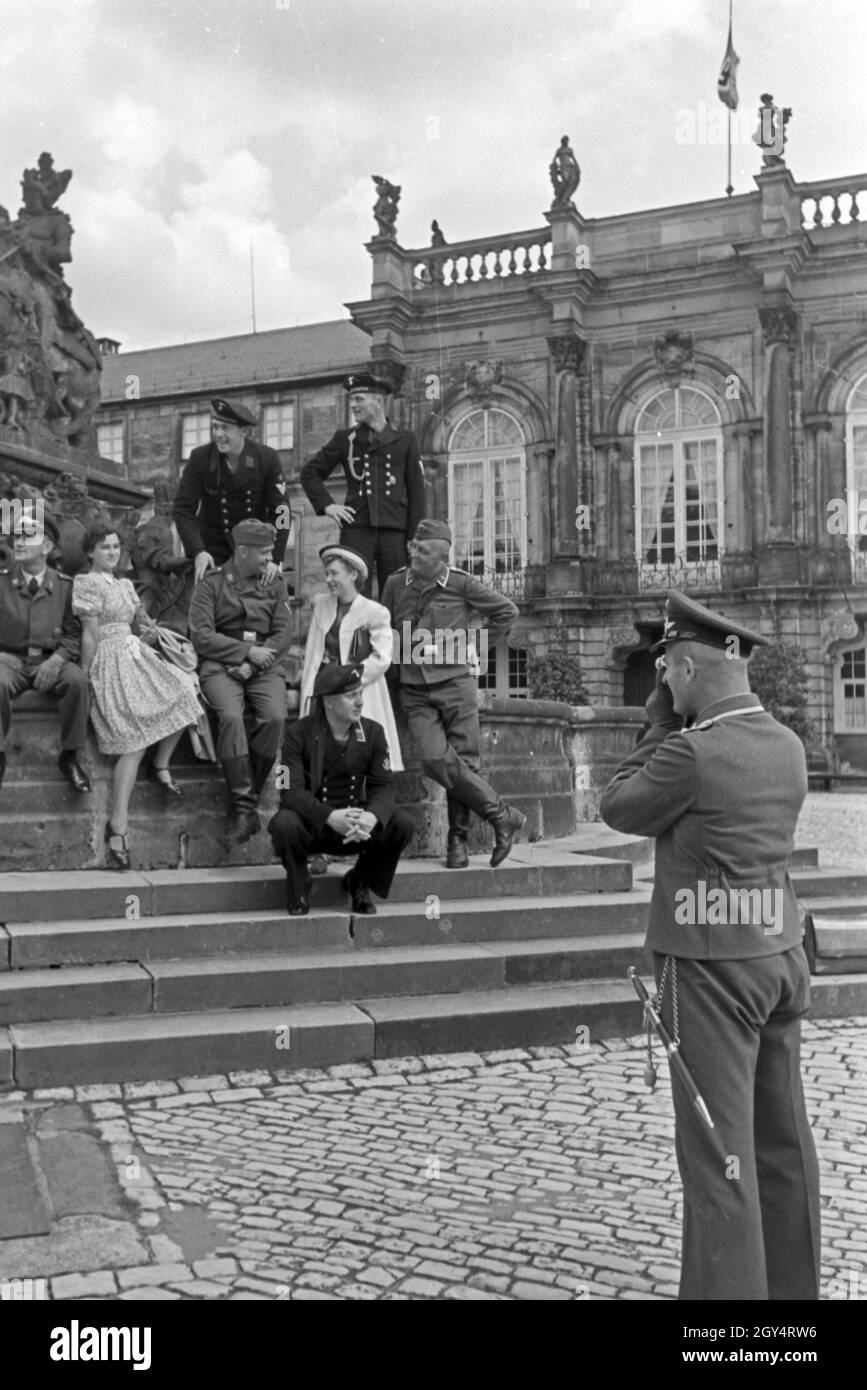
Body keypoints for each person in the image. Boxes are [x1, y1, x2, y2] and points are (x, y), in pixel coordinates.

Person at [600, 590, 821, 1302]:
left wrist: (657, 722)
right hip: (777, 957)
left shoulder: (689, 754)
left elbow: (615, 806)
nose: (661, 683)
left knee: (718, 1157)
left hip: (709, 971)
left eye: (665, 672)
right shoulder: (786, 746)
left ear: (687, 671)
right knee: (781, 1146)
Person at [380, 518, 525, 870]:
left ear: (442, 557)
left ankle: (456, 842)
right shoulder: (396, 583)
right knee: (433, 758)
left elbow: (507, 611)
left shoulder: (461, 584)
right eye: (414, 546)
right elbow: (383, 628)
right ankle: (501, 814)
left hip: (456, 683)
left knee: (465, 760)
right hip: (414, 688)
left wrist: (474, 645)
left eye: (423, 550)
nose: (414, 552)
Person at [72, 522, 202, 870]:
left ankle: (160, 764)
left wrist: (152, 632)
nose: (112, 553)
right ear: (90, 553)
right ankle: (118, 826)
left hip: (135, 653)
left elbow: (142, 622)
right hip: (109, 658)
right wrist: (87, 676)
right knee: (133, 743)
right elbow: (89, 632)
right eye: (104, 548)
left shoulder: (126, 584)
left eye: (115, 547)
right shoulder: (86, 583)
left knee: (186, 691)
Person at [269, 664, 414, 916]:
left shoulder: (373, 733)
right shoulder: (296, 734)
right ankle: (300, 884)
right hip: (314, 826)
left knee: (402, 823)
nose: (360, 702)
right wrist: (329, 817)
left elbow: (385, 786)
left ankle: (359, 881)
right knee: (283, 823)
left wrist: (371, 817)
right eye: (351, 696)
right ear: (329, 702)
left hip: (355, 829)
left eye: (360, 693)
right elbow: (287, 791)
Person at [188, 518, 292, 847]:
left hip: (265, 666)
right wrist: (246, 652)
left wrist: (254, 663)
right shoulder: (211, 584)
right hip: (221, 664)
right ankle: (246, 810)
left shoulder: (275, 583)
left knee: (274, 718)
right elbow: (201, 636)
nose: (268, 558)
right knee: (231, 717)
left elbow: (284, 633)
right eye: (263, 552)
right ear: (242, 551)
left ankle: (243, 808)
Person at [299, 373, 425, 598]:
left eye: (359, 399)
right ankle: (356, 635)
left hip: (394, 530)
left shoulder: (406, 439)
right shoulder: (345, 439)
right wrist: (328, 506)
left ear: (378, 400)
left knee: (398, 595)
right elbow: (309, 473)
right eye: (351, 400)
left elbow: (417, 491)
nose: (353, 405)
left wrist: (414, 537)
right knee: (355, 596)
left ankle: (397, 635)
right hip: (357, 528)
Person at [0, 512, 90, 796]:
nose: (19, 542)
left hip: (50, 659)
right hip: (9, 660)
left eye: (28, 536)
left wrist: (57, 659)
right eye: (17, 537)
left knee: (77, 681)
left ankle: (70, 756)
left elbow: (74, 634)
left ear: (47, 547)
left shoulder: (64, 585)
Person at [299, 543, 403, 771]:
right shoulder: (322, 606)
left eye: (334, 573)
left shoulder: (375, 612)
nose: (328, 579)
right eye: (327, 573)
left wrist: (348, 681)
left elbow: (382, 658)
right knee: (321, 754)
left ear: (353, 574)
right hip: (323, 692)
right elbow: (314, 652)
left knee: (359, 752)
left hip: (360, 690)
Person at [173, 396, 289, 585]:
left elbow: (282, 511)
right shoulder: (200, 458)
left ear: (243, 431)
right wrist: (197, 551)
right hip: (212, 554)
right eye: (215, 427)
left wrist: (275, 558)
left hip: (254, 553)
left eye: (225, 428)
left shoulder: (267, 459)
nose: (218, 434)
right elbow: (182, 509)